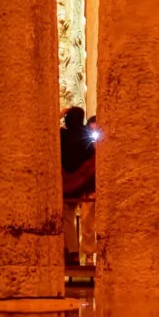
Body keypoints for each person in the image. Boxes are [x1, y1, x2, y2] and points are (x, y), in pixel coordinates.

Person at [60, 107, 96, 264]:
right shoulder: (86, 136)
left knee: (67, 216)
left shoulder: (62, 135)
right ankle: (89, 255)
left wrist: (60, 114)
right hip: (86, 184)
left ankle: (73, 252)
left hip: (67, 184)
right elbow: (92, 158)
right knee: (88, 219)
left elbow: (47, 131)